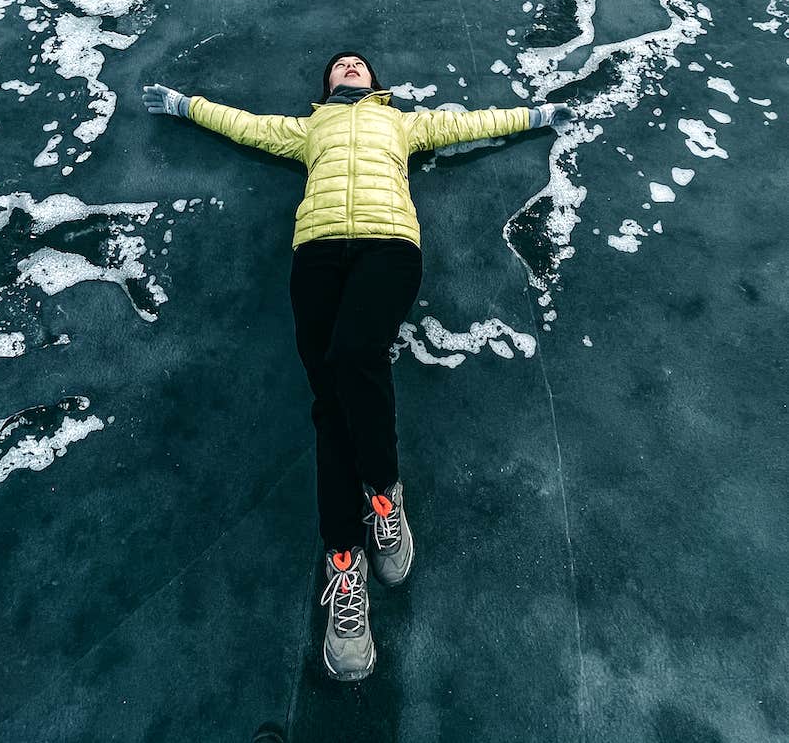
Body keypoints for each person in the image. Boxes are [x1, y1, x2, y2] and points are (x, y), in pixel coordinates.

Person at [142, 53, 575, 683]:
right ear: (327, 85)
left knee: (354, 356)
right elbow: (242, 124)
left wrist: (539, 113)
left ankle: (384, 491)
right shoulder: (308, 128)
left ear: (375, 84)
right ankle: (345, 563)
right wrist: (184, 105)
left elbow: (474, 122)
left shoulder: (401, 124)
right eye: (339, 65)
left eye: (358, 64)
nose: (349, 65)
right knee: (328, 405)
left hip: (386, 245)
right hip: (315, 253)